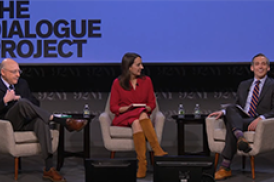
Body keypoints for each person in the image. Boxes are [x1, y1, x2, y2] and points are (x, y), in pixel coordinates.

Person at [0, 58, 88, 182]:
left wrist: (19, 97)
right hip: (7, 124)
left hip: (25, 121)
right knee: (22, 103)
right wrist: (4, 101)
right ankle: (60, 120)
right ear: (3, 72)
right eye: (14, 72)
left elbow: (36, 103)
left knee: (40, 121)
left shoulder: (22, 83)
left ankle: (49, 168)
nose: (18, 75)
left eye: (19, 71)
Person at [208, 53, 274, 180]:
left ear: (268, 68)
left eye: (264, 64)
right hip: (242, 119)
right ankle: (240, 136)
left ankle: (225, 167)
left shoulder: (272, 85)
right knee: (230, 108)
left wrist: (262, 118)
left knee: (231, 124)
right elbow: (237, 106)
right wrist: (224, 113)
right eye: (257, 64)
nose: (260, 67)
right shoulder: (244, 85)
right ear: (252, 68)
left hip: (258, 122)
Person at [110, 52, 167, 178]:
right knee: (141, 113)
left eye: (141, 64)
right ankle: (156, 149)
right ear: (129, 67)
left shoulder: (147, 81)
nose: (142, 67)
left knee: (138, 120)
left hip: (139, 117)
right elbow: (113, 107)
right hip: (123, 117)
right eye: (138, 65)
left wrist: (147, 107)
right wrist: (128, 108)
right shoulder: (117, 83)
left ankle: (142, 164)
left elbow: (152, 103)